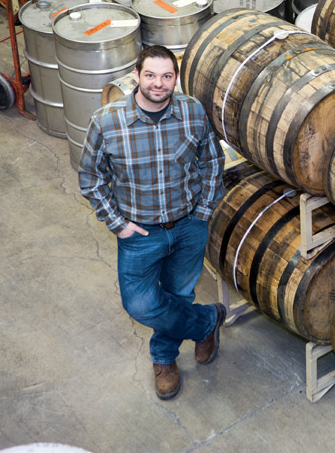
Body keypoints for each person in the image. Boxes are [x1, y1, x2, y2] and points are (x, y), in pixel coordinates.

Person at [79, 44, 225, 401]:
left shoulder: (192, 112)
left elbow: (213, 162)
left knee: (179, 294)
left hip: (189, 225)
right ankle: (206, 323)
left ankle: (164, 359)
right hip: (140, 233)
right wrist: (118, 224)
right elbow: (91, 178)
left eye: (166, 76)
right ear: (137, 75)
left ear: (175, 78)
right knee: (141, 305)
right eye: (150, 75)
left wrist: (203, 211)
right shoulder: (108, 122)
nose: (158, 84)